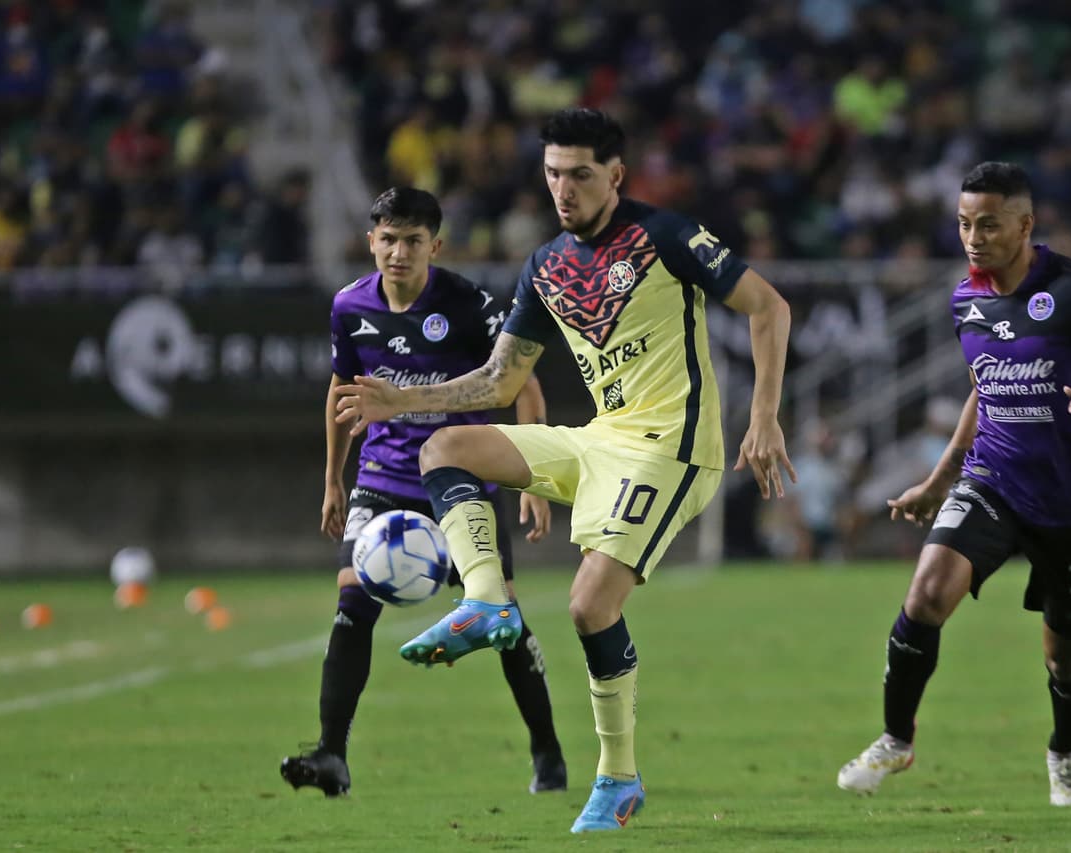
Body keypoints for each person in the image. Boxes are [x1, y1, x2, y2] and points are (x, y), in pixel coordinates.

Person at [332, 107, 796, 832]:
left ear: (615, 174)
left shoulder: (665, 236)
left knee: (589, 607)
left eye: (579, 174)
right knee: (444, 449)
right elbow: (499, 382)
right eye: (553, 174)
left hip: (670, 447)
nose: (563, 188)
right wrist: (401, 399)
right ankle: (487, 601)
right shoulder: (546, 265)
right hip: (601, 439)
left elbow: (768, 307)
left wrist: (764, 415)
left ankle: (618, 777)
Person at [836, 162, 1071, 806]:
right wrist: (939, 479)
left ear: (1025, 225)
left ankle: (1064, 754)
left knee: (1067, 659)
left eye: (989, 225)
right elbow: (985, 388)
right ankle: (895, 739)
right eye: (964, 224)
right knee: (925, 596)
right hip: (992, 480)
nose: (974, 238)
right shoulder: (964, 300)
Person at [280, 187, 566, 798]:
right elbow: (342, 393)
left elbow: (525, 388)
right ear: (371, 242)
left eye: (412, 241)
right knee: (351, 602)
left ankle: (547, 751)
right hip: (381, 479)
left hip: (461, 482)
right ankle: (331, 754)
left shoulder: (469, 305)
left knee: (502, 619)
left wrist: (534, 479)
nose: (399, 252)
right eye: (388, 239)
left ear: (435, 246)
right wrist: (333, 478)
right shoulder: (349, 307)